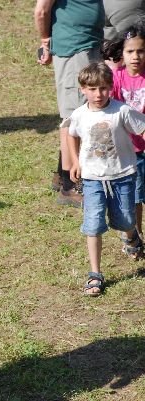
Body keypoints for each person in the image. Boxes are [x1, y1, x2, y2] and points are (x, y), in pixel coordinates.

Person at [66, 62, 145, 296]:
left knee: (125, 220)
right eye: (92, 89)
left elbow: (141, 128)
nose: (98, 94)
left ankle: (131, 238)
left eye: (102, 88)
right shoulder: (79, 115)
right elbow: (71, 135)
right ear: (83, 89)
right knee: (93, 223)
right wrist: (75, 161)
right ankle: (95, 274)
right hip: (92, 179)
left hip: (122, 175)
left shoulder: (121, 111)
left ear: (111, 87)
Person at [35, 0, 105, 207]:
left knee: (80, 112)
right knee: (74, 117)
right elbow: (41, 11)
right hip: (73, 48)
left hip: (88, 43)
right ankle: (70, 185)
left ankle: (61, 173)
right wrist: (45, 42)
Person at [105, 23, 145, 239]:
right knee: (136, 196)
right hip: (129, 150)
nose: (136, 56)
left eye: (141, 50)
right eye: (130, 51)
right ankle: (136, 236)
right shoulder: (117, 78)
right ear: (122, 53)